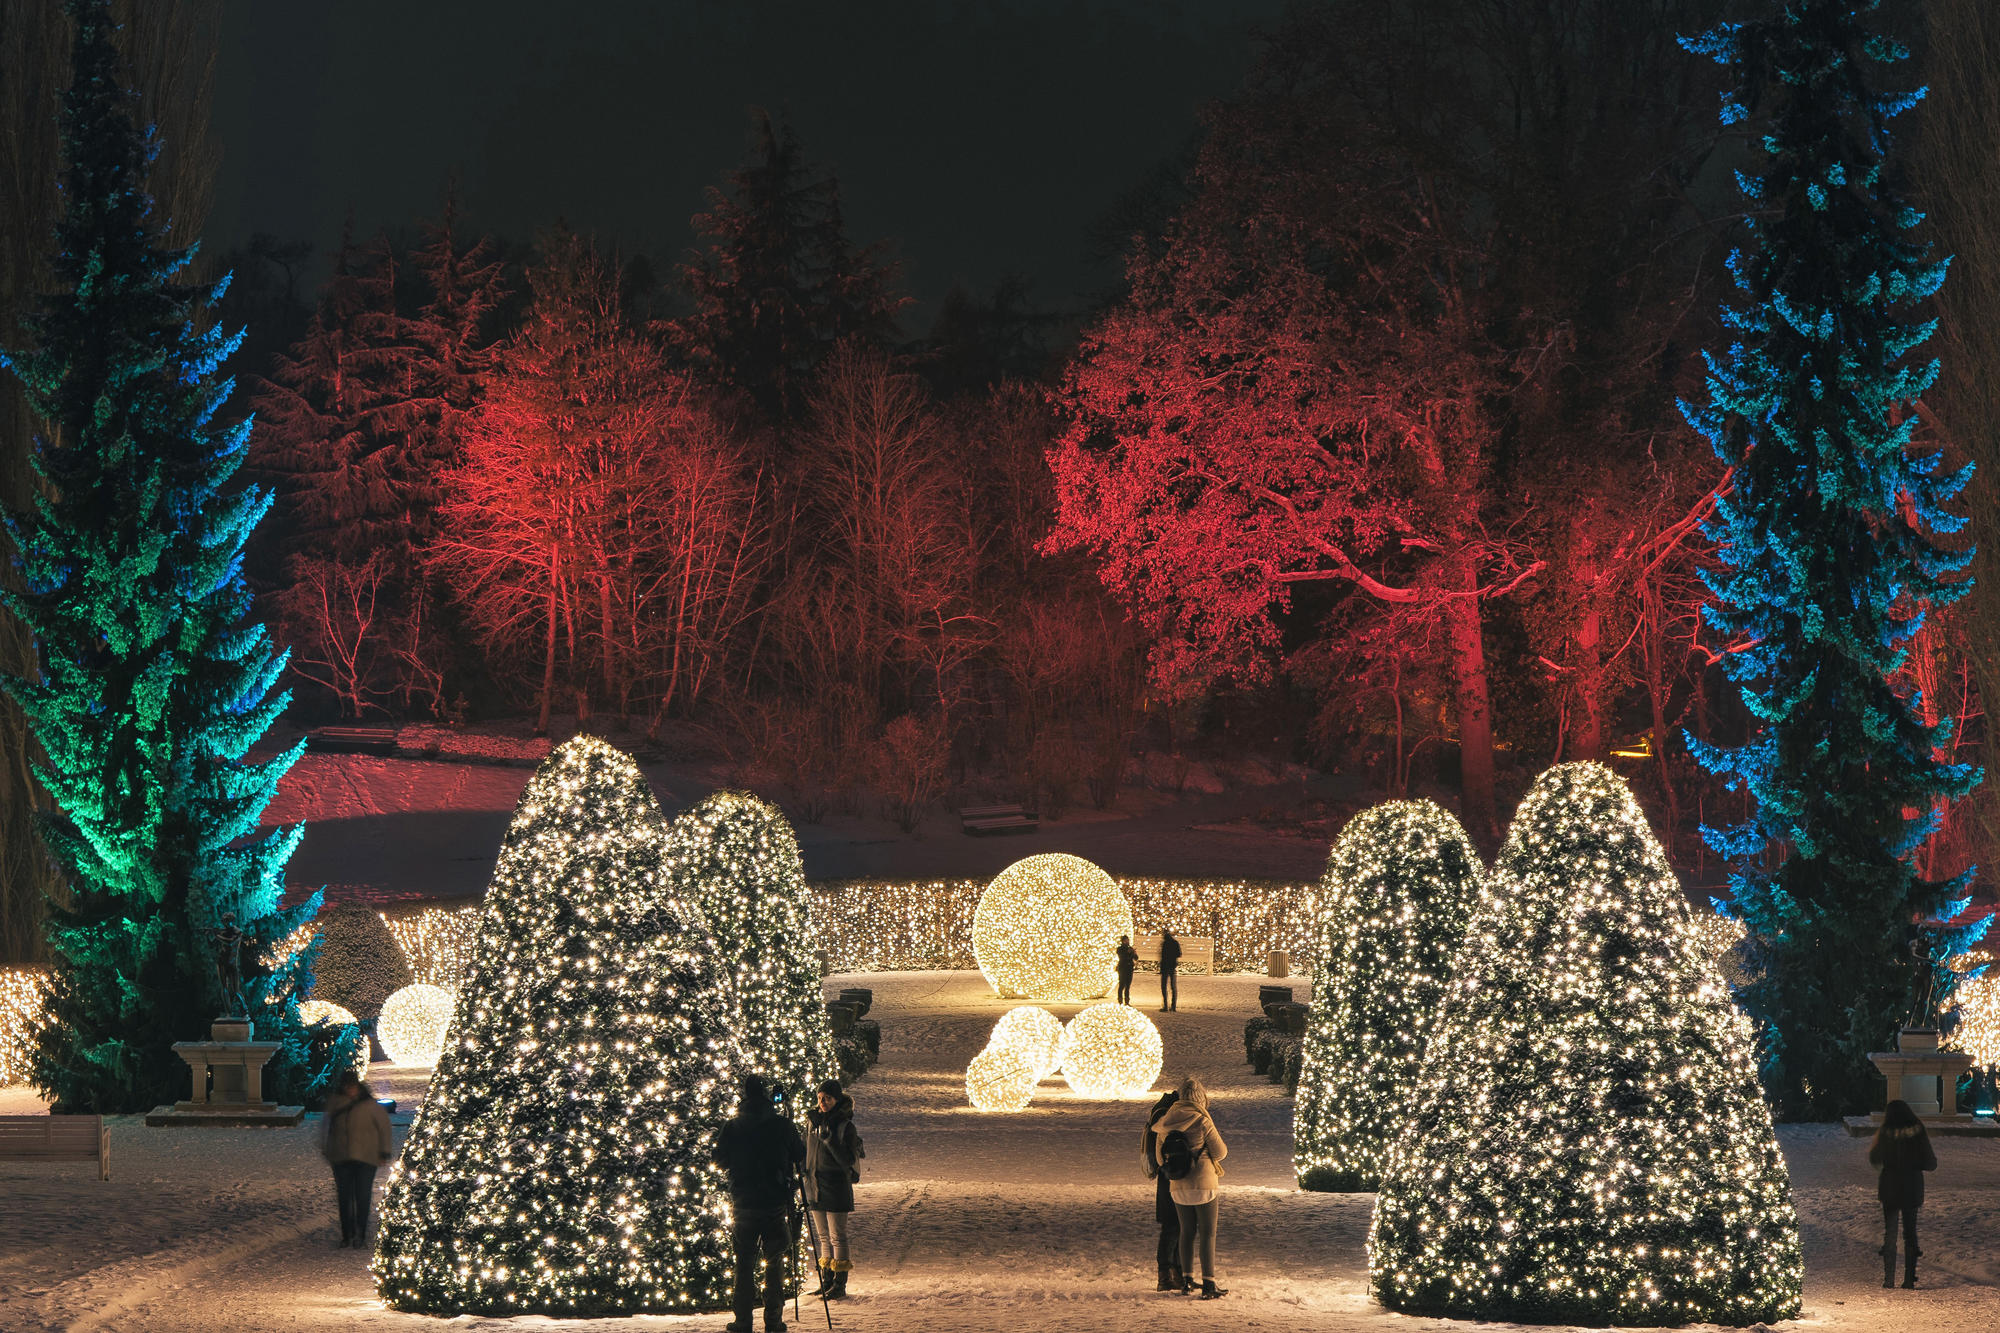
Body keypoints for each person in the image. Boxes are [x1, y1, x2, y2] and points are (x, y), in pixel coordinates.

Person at [715, 1073, 807, 1333]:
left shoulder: (733, 1126)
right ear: (768, 1095)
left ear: (744, 1094)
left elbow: (718, 1159)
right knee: (774, 1262)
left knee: (743, 1263)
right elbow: (800, 1155)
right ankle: (774, 1321)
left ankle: (743, 1322)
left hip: (743, 1203)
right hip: (774, 1203)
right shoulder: (783, 1125)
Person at [1152, 1074, 1227, 1298]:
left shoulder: (1165, 1122)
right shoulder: (1202, 1120)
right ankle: (1209, 1283)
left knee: (1186, 1232)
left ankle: (1185, 1280)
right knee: (1207, 1233)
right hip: (1205, 1184)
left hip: (1178, 1186)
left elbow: (1158, 1159)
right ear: (1200, 1098)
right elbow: (1221, 1152)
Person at [803, 1078, 864, 1299]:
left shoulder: (845, 1126)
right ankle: (826, 1279)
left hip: (836, 1186)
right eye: (820, 1098)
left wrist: (830, 1141)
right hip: (816, 1185)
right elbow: (806, 1151)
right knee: (823, 1236)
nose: (822, 1102)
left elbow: (847, 1160)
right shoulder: (812, 1122)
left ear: (836, 1099)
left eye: (827, 1098)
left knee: (837, 1235)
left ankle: (839, 1283)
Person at [320, 1069, 393, 1248]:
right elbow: (325, 1128)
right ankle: (348, 1234)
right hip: (341, 1157)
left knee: (362, 1196)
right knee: (345, 1198)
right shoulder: (336, 1103)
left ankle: (359, 1233)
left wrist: (384, 1152)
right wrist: (327, 1149)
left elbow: (384, 1128)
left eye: (352, 1086)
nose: (350, 1090)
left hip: (366, 1157)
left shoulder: (369, 1105)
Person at [1869, 1099, 1938, 1289]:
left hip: (1890, 1187)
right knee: (1910, 1233)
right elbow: (1930, 1162)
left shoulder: (1885, 1132)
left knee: (1890, 1233)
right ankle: (1909, 1279)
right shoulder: (1918, 1131)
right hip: (1912, 1187)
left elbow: (1874, 1158)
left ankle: (1888, 1278)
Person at [1141, 1089, 1184, 1291]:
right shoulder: (1171, 1117)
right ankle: (1167, 1274)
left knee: (1175, 1226)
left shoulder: (1162, 1112)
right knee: (1173, 1227)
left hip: (1166, 1177)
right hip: (1172, 1177)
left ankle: (1174, 1272)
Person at [1159, 928, 1183, 1012]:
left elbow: (1162, 957)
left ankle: (1165, 1006)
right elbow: (1179, 954)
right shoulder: (1175, 943)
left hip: (1165, 967)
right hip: (1172, 966)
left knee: (1164, 986)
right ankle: (1173, 1006)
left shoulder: (1165, 943)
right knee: (1173, 987)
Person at [1115, 935, 1139, 1006]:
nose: (1127, 941)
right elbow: (1122, 957)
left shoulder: (1130, 948)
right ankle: (1120, 1001)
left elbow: (1136, 958)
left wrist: (1134, 953)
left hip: (1129, 968)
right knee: (1122, 985)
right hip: (1122, 968)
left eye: (1128, 940)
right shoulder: (1120, 948)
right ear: (1123, 941)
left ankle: (1127, 1001)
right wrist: (1128, 952)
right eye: (1126, 940)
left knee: (1128, 986)